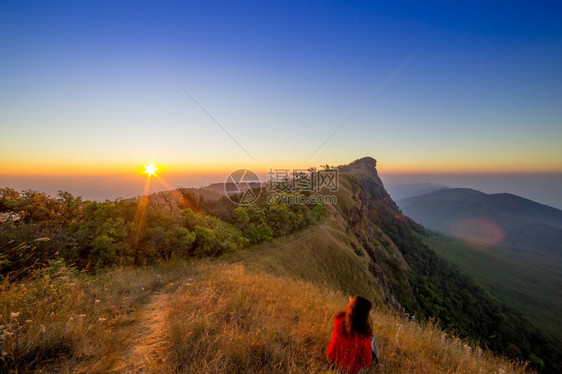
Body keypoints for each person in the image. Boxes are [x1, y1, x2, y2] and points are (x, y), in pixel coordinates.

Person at [327, 296, 380, 373]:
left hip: (331, 360)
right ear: (364, 315)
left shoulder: (338, 319)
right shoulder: (364, 336)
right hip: (350, 370)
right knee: (373, 338)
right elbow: (366, 363)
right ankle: (377, 363)